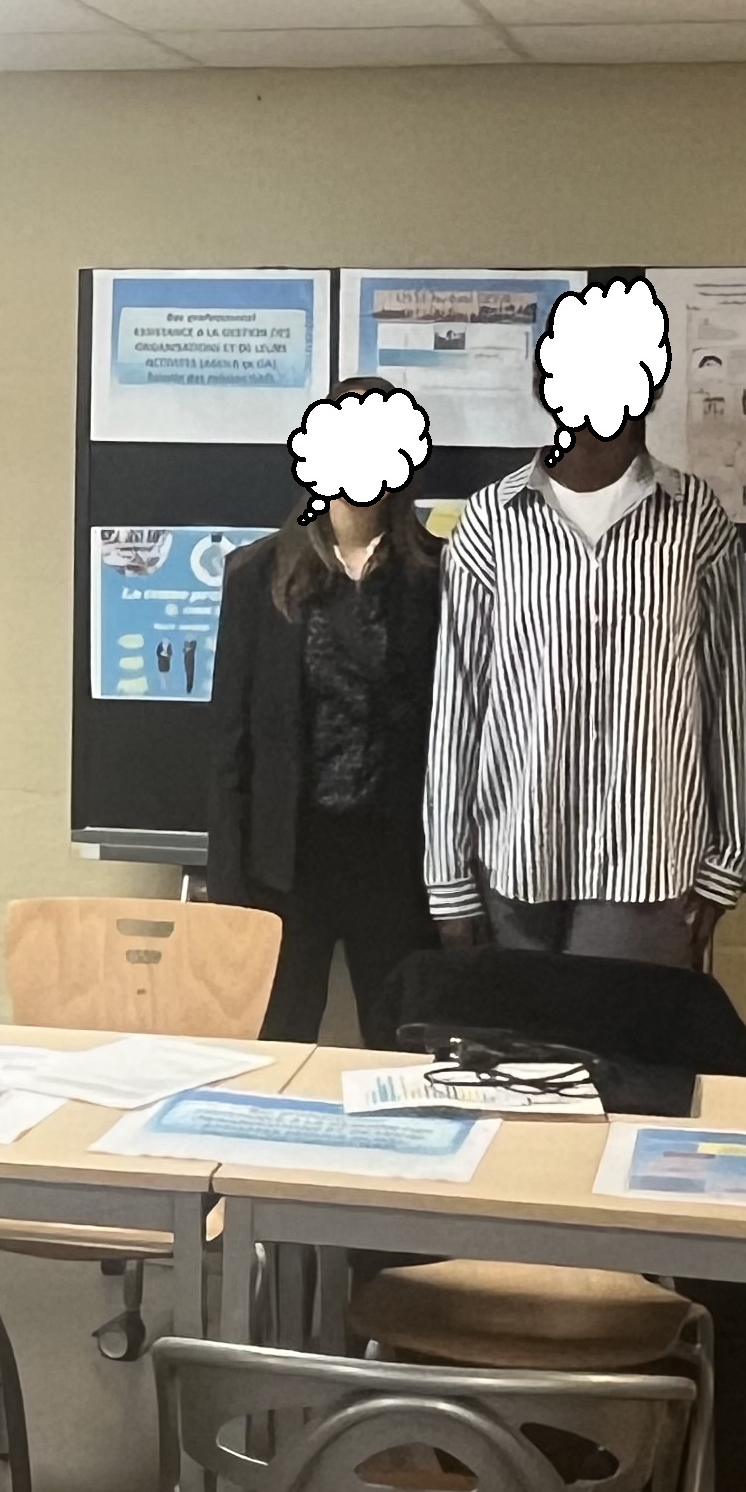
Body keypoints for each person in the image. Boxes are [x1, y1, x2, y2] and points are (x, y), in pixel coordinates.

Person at [423, 274, 746, 964]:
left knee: (628, 1038)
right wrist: (447, 879)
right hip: (516, 860)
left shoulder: (696, 519)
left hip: (651, 868)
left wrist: (728, 863)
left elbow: (730, 696)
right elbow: (457, 706)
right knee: (518, 1039)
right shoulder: (492, 521)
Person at [206, 377, 449, 1040]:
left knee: (403, 1049)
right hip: (286, 864)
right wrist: (226, 885)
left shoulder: (438, 575)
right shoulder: (257, 574)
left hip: (397, 864)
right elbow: (230, 743)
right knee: (277, 1045)